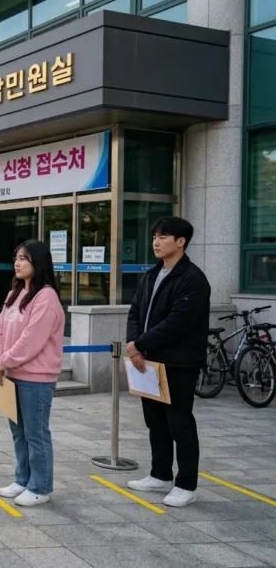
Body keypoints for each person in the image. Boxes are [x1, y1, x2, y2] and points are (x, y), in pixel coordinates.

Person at [125, 217, 210, 508]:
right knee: (155, 421)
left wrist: (140, 343)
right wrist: (135, 346)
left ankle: (186, 484)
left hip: (179, 363)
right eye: (155, 237)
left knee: (180, 423)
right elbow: (135, 311)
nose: (156, 242)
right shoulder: (152, 274)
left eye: (163, 237)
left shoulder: (192, 279)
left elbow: (178, 323)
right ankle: (160, 474)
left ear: (181, 241)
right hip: (148, 361)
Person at [0, 240, 65, 507]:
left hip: (36, 378)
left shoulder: (46, 297)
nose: (18, 263)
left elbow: (32, 340)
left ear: (39, 262)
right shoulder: (16, 293)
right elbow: (0, 329)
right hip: (11, 374)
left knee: (35, 432)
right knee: (18, 432)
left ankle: (40, 486)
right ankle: (22, 479)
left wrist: (5, 360)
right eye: (16, 257)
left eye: (24, 258)